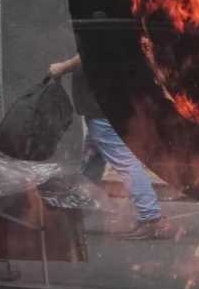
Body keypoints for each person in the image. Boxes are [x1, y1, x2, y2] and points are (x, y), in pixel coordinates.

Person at [48, 55, 176, 241]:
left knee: (124, 162)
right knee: (92, 161)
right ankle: (74, 213)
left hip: (103, 108)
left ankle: (151, 219)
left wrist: (62, 67)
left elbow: (90, 50)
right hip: (106, 105)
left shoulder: (97, 31)